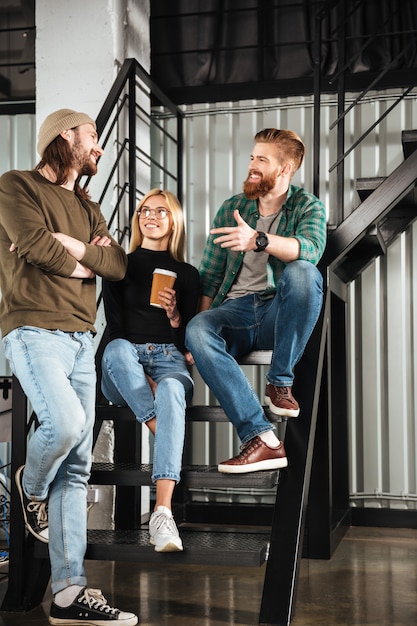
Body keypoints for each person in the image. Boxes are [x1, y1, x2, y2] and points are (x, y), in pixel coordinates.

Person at [0, 109, 138, 625]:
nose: (99, 146)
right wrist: (86, 263)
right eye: (93, 135)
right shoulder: (16, 185)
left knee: (77, 468)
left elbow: (118, 265)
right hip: (35, 329)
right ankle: (30, 487)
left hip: (84, 339)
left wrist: (75, 249)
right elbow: (33, 245)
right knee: (65, 424)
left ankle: (68, 593)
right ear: (66, 136)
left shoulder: (88, 206)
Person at [185, 128, 327, 474]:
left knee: (304, 273)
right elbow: (211, 275)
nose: (252, 165)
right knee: (198, 328)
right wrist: (194, 339)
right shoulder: (232, 208)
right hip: (235, 311)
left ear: (285, 169)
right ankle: (261, 437)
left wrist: (259, 240)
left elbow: (309, 249)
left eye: (261, 160)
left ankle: (280, 382)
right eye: (252, 157)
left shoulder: (307, 206)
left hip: (279, 310)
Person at [100, 188, 200, 552]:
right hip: (123, 365)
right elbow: (114, 327)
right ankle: (162, 427)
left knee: (173, 390)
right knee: (118, 348)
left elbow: (188, 341)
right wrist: (140, 378)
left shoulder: (187, 274)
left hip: (169, 358)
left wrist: (175, 316)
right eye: (145, 210)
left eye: (161, 211)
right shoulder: (120, 265)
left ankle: (162, 513)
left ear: (174, 221)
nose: (151, 216)